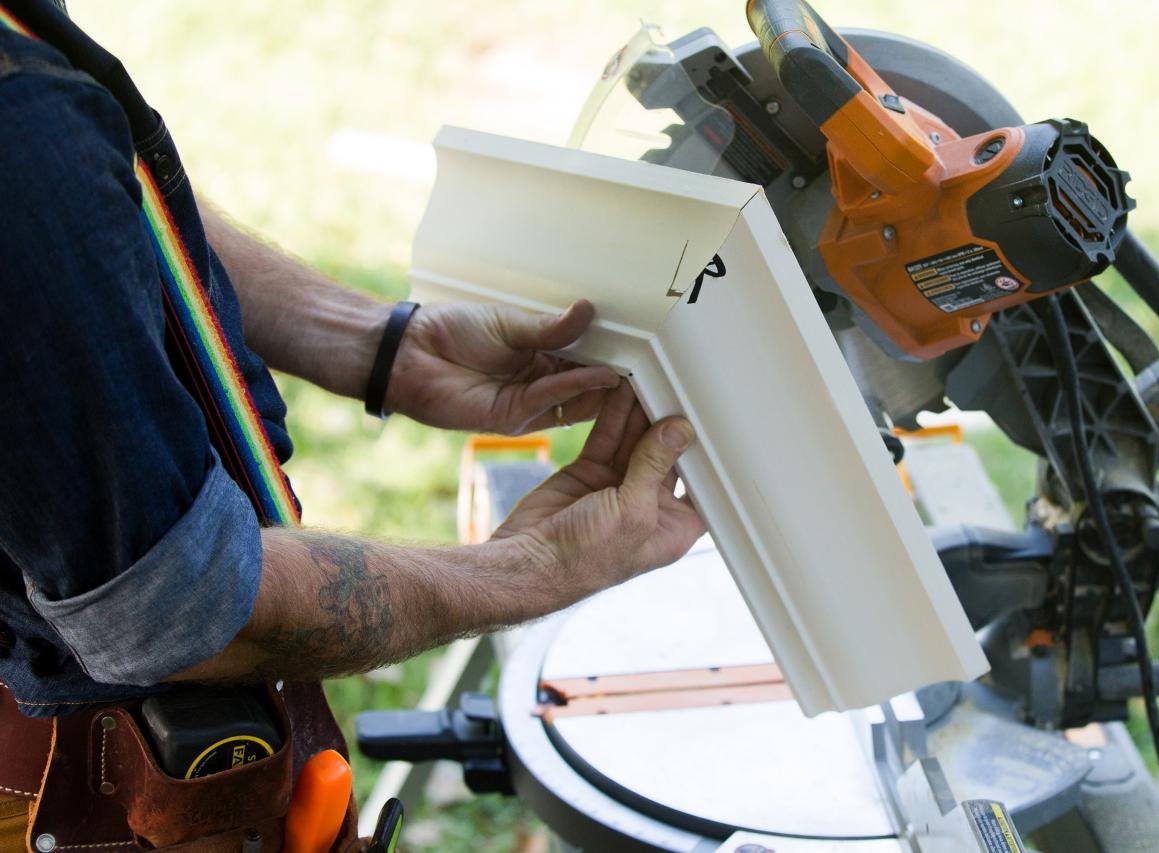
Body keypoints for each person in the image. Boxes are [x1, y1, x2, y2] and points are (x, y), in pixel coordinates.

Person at [0, 0, 703, 846]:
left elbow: (106, 207)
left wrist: (375, 343)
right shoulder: (18, 137)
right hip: (107, 791)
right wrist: (533, 570)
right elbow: (188, 613)